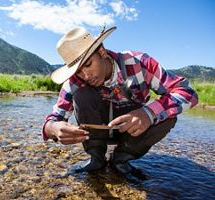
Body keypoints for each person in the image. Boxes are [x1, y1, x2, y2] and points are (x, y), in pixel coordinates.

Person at [42, 26, 198, 177]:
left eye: (88, 64)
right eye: (78, 71)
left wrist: (148, 113)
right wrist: (54, 128)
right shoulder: (74, 82)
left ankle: (121, 159)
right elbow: (53, 120)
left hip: (132, 132)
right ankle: (97, 158)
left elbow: (187, 93)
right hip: (98, 134)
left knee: (167, 113)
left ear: (102, 51)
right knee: (82, 94)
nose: (86, 76)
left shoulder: (139, 63)